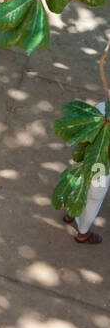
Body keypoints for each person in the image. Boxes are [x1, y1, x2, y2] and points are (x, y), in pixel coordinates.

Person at [63, 100, 107, 244]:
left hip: (86, 157)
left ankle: (70, 214)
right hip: (100, 165)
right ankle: (83, 233)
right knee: (94, 198)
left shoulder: (102, 106)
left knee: (78, 184)